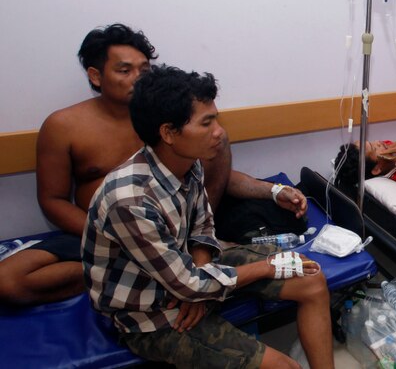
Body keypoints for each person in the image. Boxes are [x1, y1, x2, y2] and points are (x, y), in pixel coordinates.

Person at [0, 23, 306, 306]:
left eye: (144, 69)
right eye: (124, 70)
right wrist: (111, 236)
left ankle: (174, 266)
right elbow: (52, 201)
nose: (137, 77)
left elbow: (208, 174)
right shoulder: (63, 126)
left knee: (220, 149)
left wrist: (273, 190)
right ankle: (146, 274)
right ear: (96, 76)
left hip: (176, 226)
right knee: (9, 281)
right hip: (105, 232)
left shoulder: (170, 122)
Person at [82, 65, 333, 369]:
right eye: (207, 123)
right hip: (150, 313)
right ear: (169, 133)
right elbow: (186, 284)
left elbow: (202, 226)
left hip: (187, 276)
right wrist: (263, 268)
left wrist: (200, 284)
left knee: (312, 279)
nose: (219, 132)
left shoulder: (189, 162)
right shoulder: (129, 201)